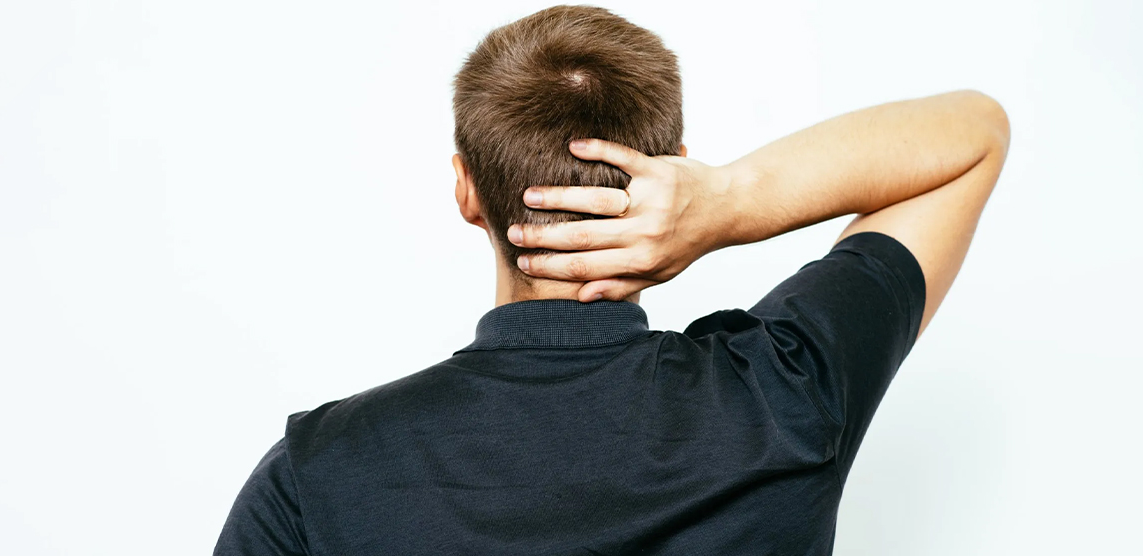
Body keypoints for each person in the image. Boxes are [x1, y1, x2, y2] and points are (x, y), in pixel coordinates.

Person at [213, 5, 1009, 555]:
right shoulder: (785, 395)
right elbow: (974, 134)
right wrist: (728, 201)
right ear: (675, 170)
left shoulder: (319, 472)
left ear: (466, 190)